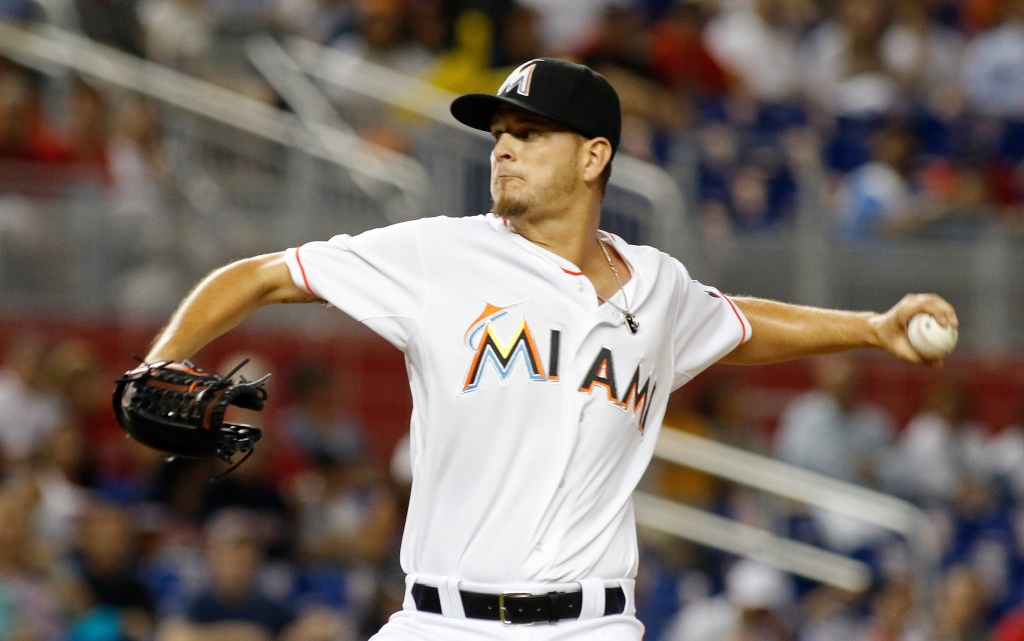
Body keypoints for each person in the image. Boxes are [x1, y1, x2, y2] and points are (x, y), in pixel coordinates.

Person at [136, 58, 958, 640]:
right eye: (501, 131)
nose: (503, 147)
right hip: (438, 622)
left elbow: (737, 322)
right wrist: (157, 361)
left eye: (530, 133)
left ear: (594, 156)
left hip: (593, 624)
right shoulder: (441, 254)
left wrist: (872, 328)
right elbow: (262, 276)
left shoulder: (659, 285)